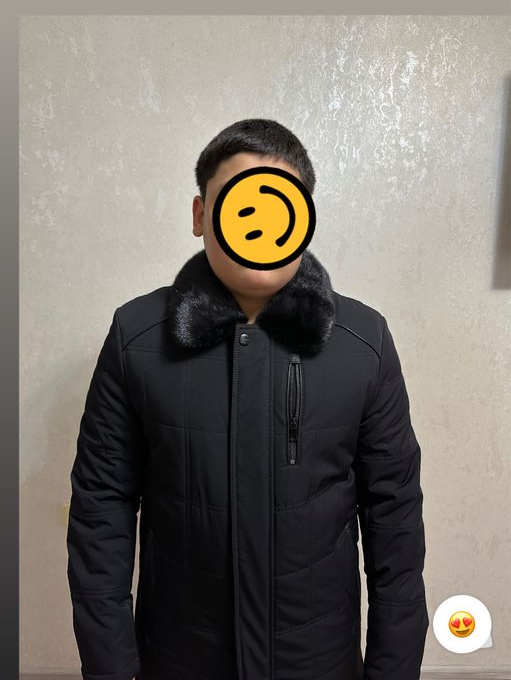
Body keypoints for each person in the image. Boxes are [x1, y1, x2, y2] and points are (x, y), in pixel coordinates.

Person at [66, 118, 429, 680]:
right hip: (178, 660)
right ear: (200, 216)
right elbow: (100, 512)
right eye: (239, 208)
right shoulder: (136, 338)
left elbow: (395, 520)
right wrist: (111, 669)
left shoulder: (364, 343)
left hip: (320, 663)